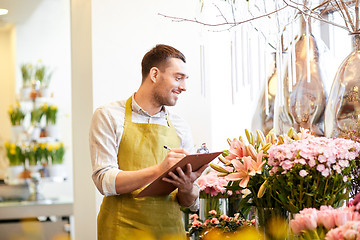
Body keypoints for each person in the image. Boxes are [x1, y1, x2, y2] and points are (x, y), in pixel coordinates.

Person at [89, 44, 208, 239]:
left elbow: (190, 202)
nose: (184, 87)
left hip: (169, 231)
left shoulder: (180, 125)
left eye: (185, 79)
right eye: (178, 78)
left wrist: (187, 187)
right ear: (154, 74)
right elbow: (105, 182)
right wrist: (159, 169)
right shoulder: (108, 116)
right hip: (121, 230)